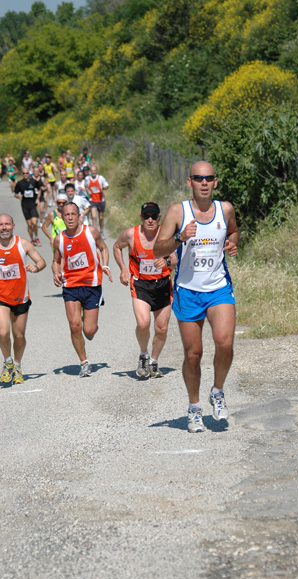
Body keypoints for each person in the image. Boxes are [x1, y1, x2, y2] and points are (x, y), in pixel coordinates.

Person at [154, 161, 239, 433]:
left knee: (224, 343)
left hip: (218, 287)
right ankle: (194, 408)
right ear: (189, 182)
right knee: (194, 354)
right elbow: (158, 249)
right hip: (188, 290)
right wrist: (180, 237)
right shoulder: (178, 211)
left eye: (209, 178)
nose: (204, 183)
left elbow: (234, 231)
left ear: (215, 182)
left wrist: (233, 242)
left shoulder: (225, 209)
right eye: (198, 178)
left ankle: (217, 390)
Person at [113, 202, 176, 379]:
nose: (150, 220)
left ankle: (154, 361)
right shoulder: (130, 235)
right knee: (143, 323)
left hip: (162, 284)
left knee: (161, 328)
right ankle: (143, 354)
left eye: (153, 216)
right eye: (146, 216)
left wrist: (167, 263)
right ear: (141, 217)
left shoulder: (166, 234)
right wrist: (123, 269)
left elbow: (174, 260)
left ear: (159, 218)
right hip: (140, 284)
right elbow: (117, 247)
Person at [52, 202, 113, 377]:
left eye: (73, 214)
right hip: (70, 285)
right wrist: (56, 273)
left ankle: (89, 316)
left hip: (92, 284)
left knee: (89, 331)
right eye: (66, 215)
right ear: (62, 217)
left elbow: (103, 248)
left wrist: (106, 265)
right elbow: (56, 261)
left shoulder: (90, 232)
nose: (70, 218)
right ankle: (84, 362)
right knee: (74, 326)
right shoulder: (59, 239)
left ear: (79, 216)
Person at [0, 213, 46, 384]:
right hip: (1, 297)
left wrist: (36, 268)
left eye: (6, 224)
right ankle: (7, 361)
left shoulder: (23, 244)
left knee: (19, 336)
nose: (3, 227)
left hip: (20, 297)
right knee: (2, 331)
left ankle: (17, 365)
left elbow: (41, 261)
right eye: (0, 225)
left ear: (13, 226)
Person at [14, 168, 42, 246]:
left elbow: (39, 189)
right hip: (25, 205)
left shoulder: (33, 181)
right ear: (22, 174)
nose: (25, 175)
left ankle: (36, 237)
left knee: (34, 222)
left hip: (33, 204)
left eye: (26, 173)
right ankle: (32, 239)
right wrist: (19, 196)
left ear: (29, 174)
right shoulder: (20, 183)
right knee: (29, 224)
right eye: (24, 173)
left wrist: (37, 199)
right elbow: (15, 193)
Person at [85, 165, 109, 234]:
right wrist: (88, 191)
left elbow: (107, 185)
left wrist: (103, 187)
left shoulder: (100, 178)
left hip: (101, 200)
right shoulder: (87, 179)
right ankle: (96, 232)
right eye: (92, 171)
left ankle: (101, 230)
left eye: (94, 171)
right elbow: (86, 186)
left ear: (96, 171)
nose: (93, 172)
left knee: (101, 218)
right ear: (90, 172)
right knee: (94, 216)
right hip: (92, 200)